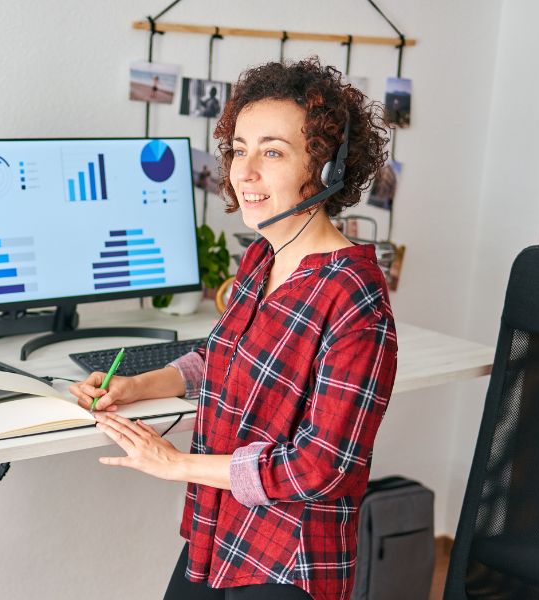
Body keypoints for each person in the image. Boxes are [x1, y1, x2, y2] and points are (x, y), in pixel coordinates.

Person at [70, 57, 396, 600]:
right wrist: (136, 386)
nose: (244, 172)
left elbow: (320, 466)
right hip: (220, 527)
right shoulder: (263, 257)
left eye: (272, 151)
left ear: (327, 168)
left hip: (288, 554)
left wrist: (175, 464)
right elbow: (222, 357)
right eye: (239, 149)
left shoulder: (354, 298)